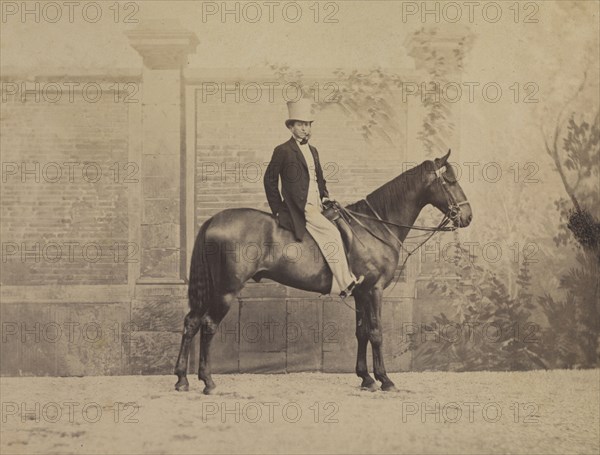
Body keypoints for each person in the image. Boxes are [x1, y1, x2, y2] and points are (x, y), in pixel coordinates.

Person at [264, 98, 364, 297]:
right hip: (300, 208)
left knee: (344, 228)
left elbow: (320, 179)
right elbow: (269, 180)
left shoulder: (313, 151)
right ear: (291, 127)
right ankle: (346, 284)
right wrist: (278, 208)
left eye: (308, 125)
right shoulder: (283, 150)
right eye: (300, 125)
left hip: (317, 204)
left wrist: (325, 197)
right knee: (332, 234)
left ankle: (334, 281)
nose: (305, 129)